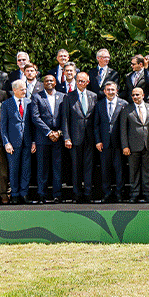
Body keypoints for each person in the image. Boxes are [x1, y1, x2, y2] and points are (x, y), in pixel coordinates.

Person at [63, 70, 102, 203]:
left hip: (90, 138)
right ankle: (76, 194)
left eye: (83, 81)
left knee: (89, 167)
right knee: (75, 167)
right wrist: (66, 137)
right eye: (78, 81)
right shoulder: (69, 96)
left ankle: (88, 194)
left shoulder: (93, 96)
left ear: (88, 82)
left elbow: (96, 119)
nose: (80, 83)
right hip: (75, 138)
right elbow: (65, 119)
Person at [26, 76, 64, 203]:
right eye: (46, 81)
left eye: (51, 81)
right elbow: (35, 117)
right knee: (42, 168)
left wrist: (58, 132)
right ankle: (42, 194)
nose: (49, 83)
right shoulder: (37, 96)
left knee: (57, 168)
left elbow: (65, 117)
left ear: (55, 83)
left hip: (58, 138)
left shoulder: (62, 96)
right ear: (43, 83)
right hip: (43, 137)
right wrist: (48, 132)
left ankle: (57, 195)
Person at [123, 86, 149, 203]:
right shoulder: (127, 109)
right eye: (133, 95)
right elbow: (123, 129)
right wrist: (125, 146)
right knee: (133, 171)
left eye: (137, 95)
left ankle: (147, 194)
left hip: (148, 145)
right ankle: (134, 194)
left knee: (147, 170)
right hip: (132, 146)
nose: (135, 97)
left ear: (143, 95)